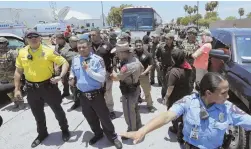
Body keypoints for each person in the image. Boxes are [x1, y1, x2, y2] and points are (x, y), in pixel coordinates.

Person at [120, 72, 251, 149]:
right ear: (208, 93)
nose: (228, 96)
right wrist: (142, 131)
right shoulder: (188, 102)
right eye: (224, 93)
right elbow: (166, 116)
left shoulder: (228, 108)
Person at [14, 29, 70, 148]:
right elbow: (18, 71)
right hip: (31, 89)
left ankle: (65, 130)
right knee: (37, 114)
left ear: (39, 38)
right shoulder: (22, 52)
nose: (33, 38)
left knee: (57, 110)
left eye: (35, 36)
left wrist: (60, 76)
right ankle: (42, 134)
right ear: (26, 39)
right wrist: (17, 89)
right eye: (30, 37)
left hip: (48, 87)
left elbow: (64, 62)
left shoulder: (49, 51)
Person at [69, 39, 122, 149]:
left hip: (96, 95)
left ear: (89, 47)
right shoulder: (75, 59)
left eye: (84, 47)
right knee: (90, 117)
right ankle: (98, 134)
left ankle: (112, 137)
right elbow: (73, 71)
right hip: (83, 95)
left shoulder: (97, 59)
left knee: (104, 117)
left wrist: (89, 71)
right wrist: (71, 77)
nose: (81, 49)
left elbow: (102, 78)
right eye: (79, 47)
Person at [110, 41, 144, 140]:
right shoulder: (135, 59)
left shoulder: (127, 66)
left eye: (118, 53)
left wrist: (112, 72)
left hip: (129, 91)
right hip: (135, 87)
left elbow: (116, 77)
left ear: (123, 52)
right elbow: (142, 69)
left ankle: (131, 131)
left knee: (129, 112)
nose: (117, 55)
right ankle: (138, 125)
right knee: (135, 109)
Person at [164, 50, 195, 143]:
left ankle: (177, 130)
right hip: (186, 94)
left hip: (175, 96)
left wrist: (166, 97)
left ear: (174, 59)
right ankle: (184, 130)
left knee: (174, 113)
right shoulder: (189, 67)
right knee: (184, 113)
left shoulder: (174, 71)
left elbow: (170, 87)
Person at [90, 28, 116, 119]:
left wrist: (114, 69)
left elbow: (114, 56)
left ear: (98, 35)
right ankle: (99, 109)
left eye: (94, 35)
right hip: (92, 73)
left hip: (106, 73)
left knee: (108, 92)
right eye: (91, 35)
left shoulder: (107, 45)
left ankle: (111, 110)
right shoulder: (88, 46)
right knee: (96, 92)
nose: (92, 37)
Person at [0, 37, 23, 108]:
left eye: (2, 43)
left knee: (16, 89)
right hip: (2, 76)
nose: (0, 45)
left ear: (6, 44)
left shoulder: (12, 53)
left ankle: (20, 103)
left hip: (12, 75)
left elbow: (18, 64)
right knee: (9, 92)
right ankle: (15, 102)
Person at [134, 39, 155, 113]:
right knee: (134, 91)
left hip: (144, 75)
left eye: (140, 45)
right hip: (134, 76)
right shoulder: (132, 54)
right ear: (135, 46)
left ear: (142, 45)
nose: (138, 47)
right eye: (137, 46)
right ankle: (135, 105)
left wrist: (145, 72)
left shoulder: (147, 54)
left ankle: (150, 105)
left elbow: (151, 65)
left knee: (147, 91)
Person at [156, 33, 177, 99]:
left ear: (172, 39)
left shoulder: (176, 47)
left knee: (173, 83)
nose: (166, 40)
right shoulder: (161, 47)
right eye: (165, 39)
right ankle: (164, 97)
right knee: (164, 84)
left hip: (174, 68)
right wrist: (157, 62)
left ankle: (172, 96)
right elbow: (156, 56)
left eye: (168, 39)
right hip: (164, 68)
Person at [54, 33, 72, 98]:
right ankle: (66, 92)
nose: (56, 41)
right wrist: (56, 66)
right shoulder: (57, 46)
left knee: (71, 80)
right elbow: (55, 57)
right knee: (63, 80)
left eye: (57, 39)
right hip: (61, 66)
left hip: (69, 65)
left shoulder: (69, 46)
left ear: (62, 39)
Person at [66, 35, 81, 111]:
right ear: (71, 42)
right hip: (71, 72)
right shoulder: (66, 51)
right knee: (73, 88)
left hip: (82, 72)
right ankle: (76, 102)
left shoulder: (81, 48)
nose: (77, 42)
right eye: (75, 41)